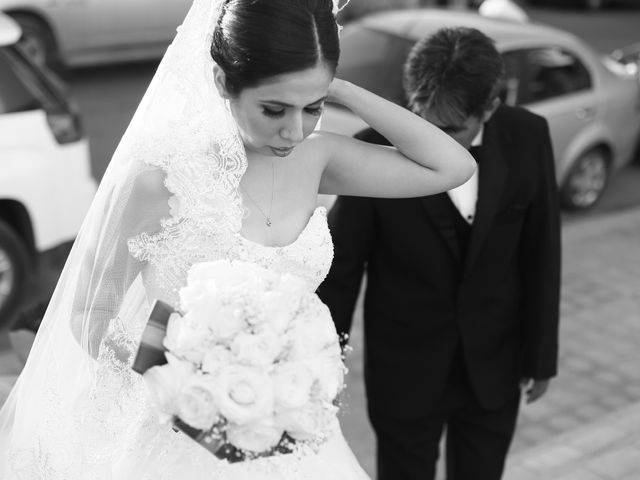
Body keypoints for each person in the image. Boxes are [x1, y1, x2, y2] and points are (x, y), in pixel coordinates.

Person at [0, 1, 475, 478]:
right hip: (170, 431)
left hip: (286, 433)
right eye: (274, 108)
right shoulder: (156, 178)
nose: (293, 130)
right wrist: (190, 374)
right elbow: (89, 314)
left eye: (312, 107)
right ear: (224, 82)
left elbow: (451, 167)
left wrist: (344, 90)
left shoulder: (319, 159)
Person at [318, 27, 560, 480]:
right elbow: (342, 270)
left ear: (489, 106)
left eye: (450, 130)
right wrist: (323, 366)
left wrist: (540, 355)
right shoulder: (371, 147)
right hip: (405, 374)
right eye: (423, 121)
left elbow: (541, 250)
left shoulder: (529, 135)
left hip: (494, 368)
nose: (432, 142)